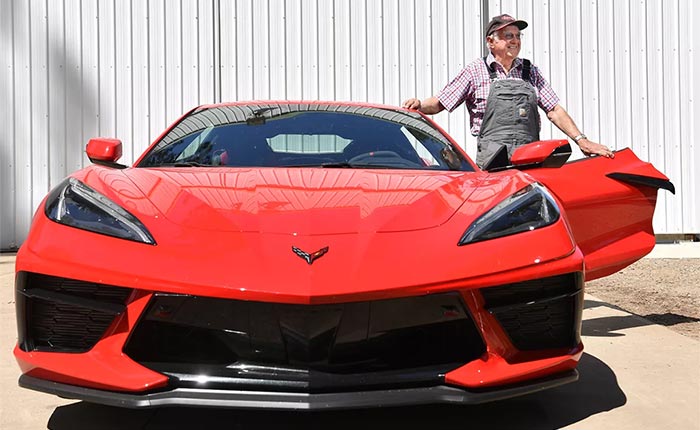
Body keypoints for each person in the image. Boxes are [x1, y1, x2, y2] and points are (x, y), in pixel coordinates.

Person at [402, 14, 614, 168]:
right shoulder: (476, 71)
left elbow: (554, 110)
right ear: (491, 42)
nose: (515, 41)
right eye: (508, 36)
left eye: (517, 36)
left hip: (530, 159)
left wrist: (581, 140)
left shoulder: (529, 71)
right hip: (494, 163)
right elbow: (440, 102)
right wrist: (419, 105)